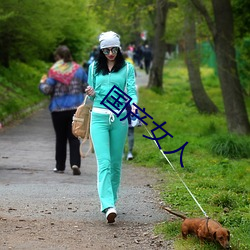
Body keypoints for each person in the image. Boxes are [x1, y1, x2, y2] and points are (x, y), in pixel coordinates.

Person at [85, 31, 138, 223]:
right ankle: (107, 205)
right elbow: (91, 97)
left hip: (120, 119)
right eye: (106, 50)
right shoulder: (93, 68)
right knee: (104, 162)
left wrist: (133, 107)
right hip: (98, 118)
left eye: (114, 49)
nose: (110, 53)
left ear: (119, 48)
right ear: (101, 50)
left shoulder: (127, 68)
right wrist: (90, 92)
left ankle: (112, 201)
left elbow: (131, 91)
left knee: (116, 163)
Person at [39, 45, 88, 175]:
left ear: (58, 57)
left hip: (58, 109)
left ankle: (60, 166)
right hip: (75, 109)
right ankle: (75, 163)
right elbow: (86, 87)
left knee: (60, 138)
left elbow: (47, 90)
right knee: (74, 137)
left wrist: (42, 83)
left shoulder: (54, 71)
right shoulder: (79, 70)